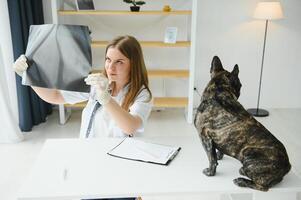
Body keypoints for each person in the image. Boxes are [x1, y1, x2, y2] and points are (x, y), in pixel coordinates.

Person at [13, 35, 153, 200]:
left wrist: (105, 98)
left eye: (119, 62)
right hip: (91, 164)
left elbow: (130, 126)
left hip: (121, 170)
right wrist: (28, 76)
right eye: (108, 60)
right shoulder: (97, 83)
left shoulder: (142, 94)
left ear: (133, 64)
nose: (111, 67)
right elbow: (56, 96)